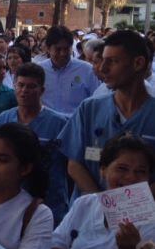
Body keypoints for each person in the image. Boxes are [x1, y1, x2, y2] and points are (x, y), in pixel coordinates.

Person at [58, 30, 155, 196]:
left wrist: (135, 206)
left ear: (138, 63)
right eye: (103, 60)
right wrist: (105, 205)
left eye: (113, 61)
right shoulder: (89, 109)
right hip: (91, 214)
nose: (103, 68)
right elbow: (74, 164)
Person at [0, 63, 69, 224]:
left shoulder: (60, 124)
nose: (24, 91)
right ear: (14, 86)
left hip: (51, 203)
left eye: (31, 86)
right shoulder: (2, 121)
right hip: (9, 202)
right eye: (20, 85)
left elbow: (71, 164)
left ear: (42, 90)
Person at [38, 26, 96, 116]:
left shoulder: (87, 70)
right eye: (58, 49)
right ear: (48, 49)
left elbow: (96, 100)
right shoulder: (39, 71)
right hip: (47, 125)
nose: (62, 53)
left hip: (76, 124)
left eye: (66, 49)